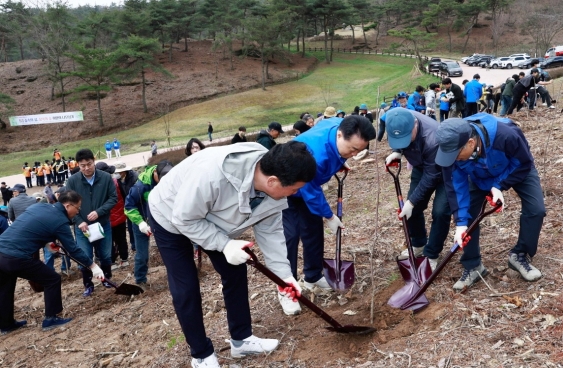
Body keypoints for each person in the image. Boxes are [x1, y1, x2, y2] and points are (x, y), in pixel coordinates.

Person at [148, 141, 316, 368]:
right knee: (186, 285)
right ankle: (201, 355)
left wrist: (284, 277)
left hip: (214, 218)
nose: (296, 193)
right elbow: (184, 218)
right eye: (295, 189)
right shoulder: (212, 176)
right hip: (171, 214)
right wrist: (224, 245)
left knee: (235, 268)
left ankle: (242, 339)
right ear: (273, 181)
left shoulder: (272, 176)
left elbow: (271, 233)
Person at [435, 114, 545, 291]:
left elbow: (522, 162)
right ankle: (473, 266)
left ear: (471, 143)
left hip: (516, 169)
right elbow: (456, 187)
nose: (453, 159)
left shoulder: (506, 135)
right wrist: (461, 223)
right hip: (479, 175)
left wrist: (499, 185)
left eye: (456, 155)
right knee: (468, 213)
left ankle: (520, 255)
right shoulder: (450, 152)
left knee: (536, 210)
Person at [283, 115, 375, 309]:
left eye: (359, 150)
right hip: (286, 188)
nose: (354, 154)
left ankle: (313, 275)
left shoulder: (337, 126)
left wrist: (341, 160)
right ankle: (286, 287)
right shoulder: (316, 156)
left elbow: (339, 148)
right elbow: (311, 190)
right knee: (290, 237)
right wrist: (330, 216)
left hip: (308, 183)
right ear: (340, 135)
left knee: (313, 231)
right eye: (352, 149)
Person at [0, 190, 105, 334]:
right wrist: (93, 266)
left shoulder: (39, 206)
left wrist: (48, 242)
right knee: (52, 279)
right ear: (68, 206)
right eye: (78, 208)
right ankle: (50, 319)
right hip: (16, 256)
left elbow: (32, 226)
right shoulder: (60, 221)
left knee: (5, 286)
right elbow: (73, 250)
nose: (78, 211)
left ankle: (6, 325)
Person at [383, 109, 451, 270]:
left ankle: (432, 254)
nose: (404, 142)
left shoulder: (433, 138)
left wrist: (412, 202)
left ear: (415, 125)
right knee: (411, 210)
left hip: (446, 171)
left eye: (406, 138)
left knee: (440, 212)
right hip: (422, 165)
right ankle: (419, 243)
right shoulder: (396, 118)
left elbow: (432, 176)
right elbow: (399, 136)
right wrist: (397, 152)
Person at [65, 149, 117, 297]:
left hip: (102, 224)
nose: (86, 168)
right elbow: (67, 204)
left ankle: (106, 278)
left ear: (94, 161)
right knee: (84, 256)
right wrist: (78, 221)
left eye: (89, 164)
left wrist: (99, 211)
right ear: (78, 165)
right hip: (83, 227)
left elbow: (113, 198)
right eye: (82, 165)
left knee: (106, 255)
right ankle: (88, 284)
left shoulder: (106, 177)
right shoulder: (73, 181)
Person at [125, 160, 173, 289]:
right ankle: (140, 280)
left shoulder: (171, 181)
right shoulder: (140, 187)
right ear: (156, 174)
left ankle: (175, 274)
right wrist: (140, 223)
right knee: (142, 254)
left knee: (171, 249)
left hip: (162, 220)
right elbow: (128, 207)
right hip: (142, 222)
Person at [95, 162, 129, 270]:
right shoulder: (116, 182)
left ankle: (112, 262)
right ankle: (124, 260)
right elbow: (124, 196)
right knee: (122, 238)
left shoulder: (97, 187)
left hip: (106, 218)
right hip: (120, 215)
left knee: (109, 241)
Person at [113, 161, 139, 253]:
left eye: (120, 172)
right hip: (125, 205)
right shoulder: (118, 180)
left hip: (135, 204)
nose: (119, 174)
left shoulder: (134, 177)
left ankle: (136, 244)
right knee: (130, 228)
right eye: (117, 172)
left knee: (135, 225)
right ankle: (133, 244)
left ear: (125, 171)